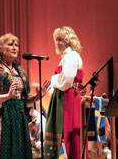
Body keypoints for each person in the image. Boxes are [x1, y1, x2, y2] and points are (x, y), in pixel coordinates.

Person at [0, 33, 50, 159]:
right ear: (0, 49)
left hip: (18, 118)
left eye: (16, 45)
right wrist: (7, 96)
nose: (15, 48)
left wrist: (38, 97)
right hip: (0, 117)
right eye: (10, 45)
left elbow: (25, 100)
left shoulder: (20, 71)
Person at [44, 26, 84, 159]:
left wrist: (53, 80)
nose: (58, 43)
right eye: (56, 40)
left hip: (69, 97)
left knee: (69, 131)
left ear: (69, 41)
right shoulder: (66, 57)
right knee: (66, 132)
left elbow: (66, 81)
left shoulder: (71, 56)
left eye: (61, 39)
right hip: (67, 96)